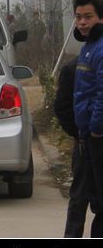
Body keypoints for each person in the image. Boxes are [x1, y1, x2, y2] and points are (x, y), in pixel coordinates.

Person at [73, 0, 103, 237]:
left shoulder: (100, 49)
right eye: (78, 17)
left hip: (97, 136)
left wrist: (95, 127)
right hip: (88, 136)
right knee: (93, 198)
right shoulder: (87, 48)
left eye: (88, 17)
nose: (82, 22)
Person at [54, 55, 92, 237]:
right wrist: (78, 134)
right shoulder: (73, 68)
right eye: (79, 22)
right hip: (85, 143)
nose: (82, 23)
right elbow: (62, 106)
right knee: (79, 198)